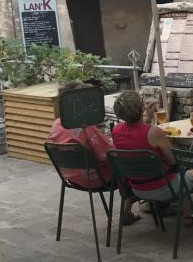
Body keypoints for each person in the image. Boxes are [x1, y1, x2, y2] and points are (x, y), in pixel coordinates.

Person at [111, 90, 193, 223]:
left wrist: (147, 119)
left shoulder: (116, 131)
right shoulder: (154, 132)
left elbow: (136, 133)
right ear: (141, 108)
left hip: (137, 189)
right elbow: (174, 161)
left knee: (178, 173)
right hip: (164, 189)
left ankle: (188, 215)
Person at [47, 81, 139, 226]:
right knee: (136, 165)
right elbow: (110, 154)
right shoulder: (85, 127)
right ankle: (132, 209)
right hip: (97, 178)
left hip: (71, 177)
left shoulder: (57, 123)